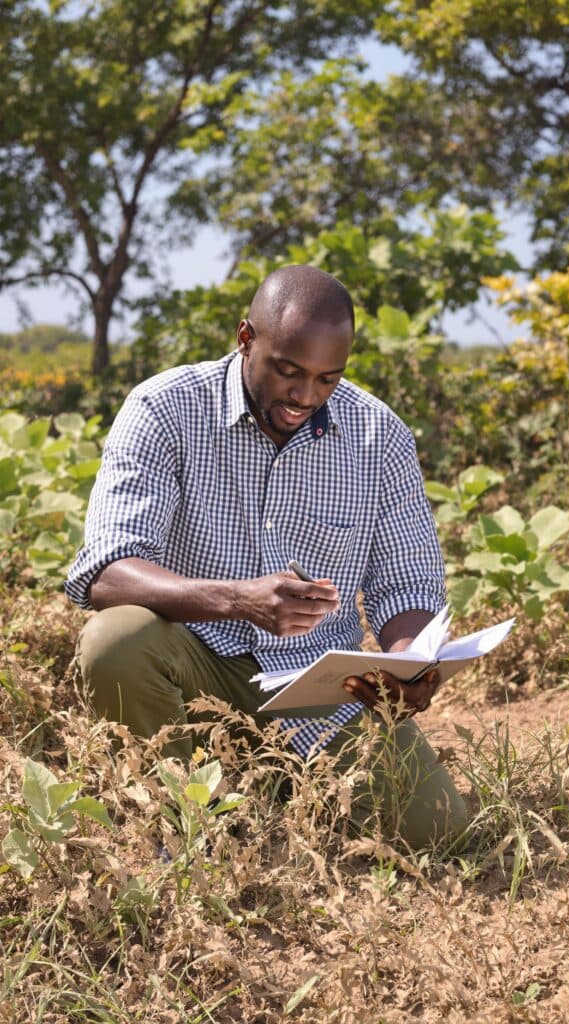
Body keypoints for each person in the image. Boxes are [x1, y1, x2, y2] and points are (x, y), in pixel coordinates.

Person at [65, 265, 467, 849]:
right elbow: (107, 569)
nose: (306, 397)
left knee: (440, 835)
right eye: (288, 371)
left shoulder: (379, 435)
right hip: (192, 668)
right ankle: (181, 825)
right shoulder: (164, 409)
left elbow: (407, 584)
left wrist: (408, 662)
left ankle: (270, 788)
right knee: (115, 640)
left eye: (328, 379)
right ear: (246, 338)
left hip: (323, 690)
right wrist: (237, 599)